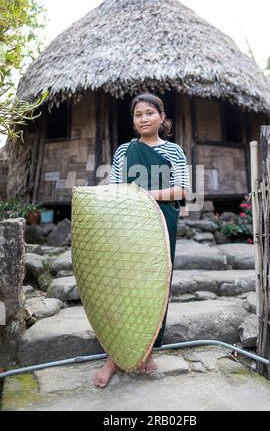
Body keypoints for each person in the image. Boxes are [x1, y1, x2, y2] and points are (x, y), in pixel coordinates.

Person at [93, 93, 190, 388]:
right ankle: (113, 356)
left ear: (162, 117)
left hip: (162, 221)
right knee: (125, 283)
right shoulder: (124, 151)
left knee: (157, 282)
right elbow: (117, 190)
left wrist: (149, 195)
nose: (144, 118)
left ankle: (146, 348)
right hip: (130, 221)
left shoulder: (174, 151)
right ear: (133, 121)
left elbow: (182, 191)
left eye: (150, 112)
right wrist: (135, 200)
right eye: (138, 115)